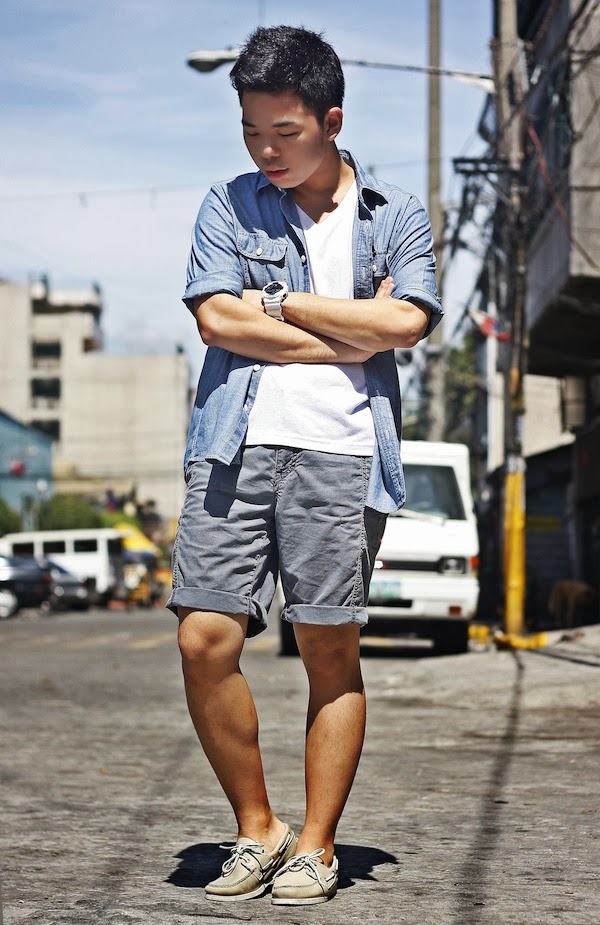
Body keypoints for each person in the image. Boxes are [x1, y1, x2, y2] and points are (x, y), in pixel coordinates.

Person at [167, 24, 442, 906]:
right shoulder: (227, 204)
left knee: (329, 648)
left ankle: (316, 844)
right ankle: (258, 826)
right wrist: (346, 334)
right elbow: (217, 319)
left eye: (283, 132)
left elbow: (407, 323)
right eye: (251, 131)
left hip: (343, 452)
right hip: (233, 445)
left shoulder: (395, 216)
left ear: (331, 120)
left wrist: (279, 301)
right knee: (203, 638)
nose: (265, 150)